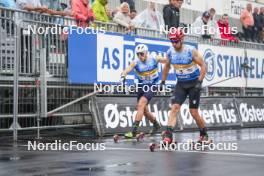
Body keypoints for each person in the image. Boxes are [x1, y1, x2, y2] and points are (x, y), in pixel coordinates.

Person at [161, 28, 209, 144]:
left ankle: (204, 133)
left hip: (193, 84)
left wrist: (199, 82)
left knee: (193, 112)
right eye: (172, 41)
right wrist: (163, 81)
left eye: (176, 41)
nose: (174, 44)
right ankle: (168, 136)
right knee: (174, 108)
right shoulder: (170, 52)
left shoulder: (190, 51)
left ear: (182, 39)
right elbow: (167, 67)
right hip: (181, 84)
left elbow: (203, 66)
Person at [121, 44, 167, 138]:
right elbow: (126, 70)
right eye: (138, 54)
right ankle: (156, 124)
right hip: (142, 86)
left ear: (146, 52)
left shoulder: (154, 58)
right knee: (144, 111)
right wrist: (123, 76)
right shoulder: (136, 62)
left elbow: (168, 60)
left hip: (153, 85)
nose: (140, 56)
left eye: (141, 54)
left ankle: (133, 131)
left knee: (141, 104)